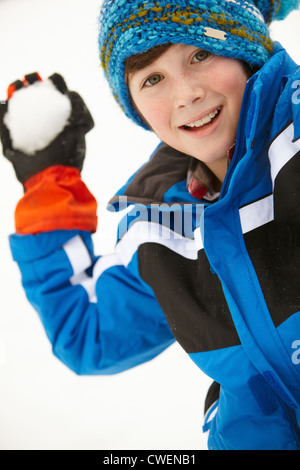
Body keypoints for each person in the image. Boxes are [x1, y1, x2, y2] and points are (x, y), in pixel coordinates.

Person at [1, 0, 300, 450]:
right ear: (135, 106)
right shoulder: (163, 231)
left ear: (244, 48)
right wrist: (48, 187)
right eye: (152, 79)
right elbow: (89, 334)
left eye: (200, 53)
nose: (186, 94)